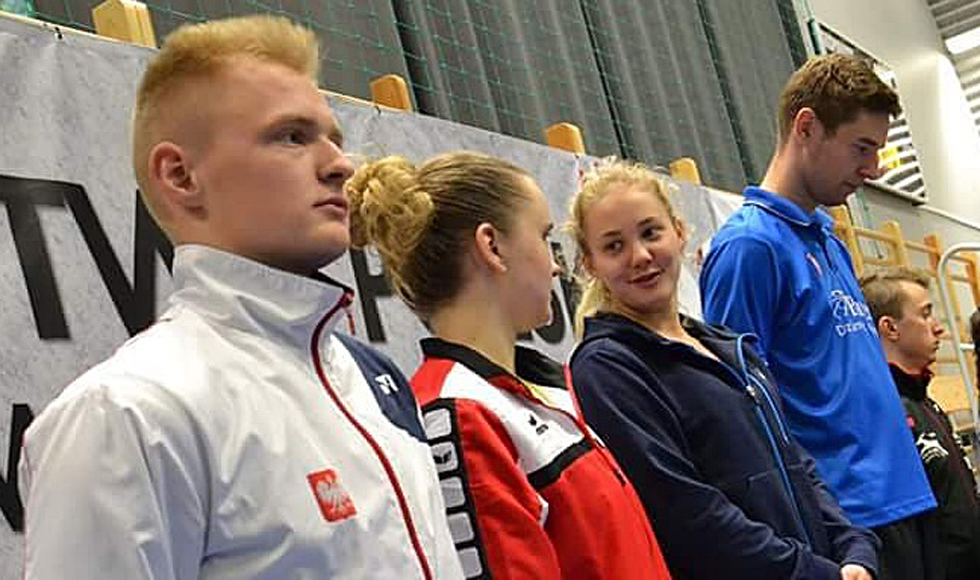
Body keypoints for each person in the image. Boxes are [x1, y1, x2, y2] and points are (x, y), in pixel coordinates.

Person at [18, 15, 463, 580]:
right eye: (292, 136)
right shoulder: (128, 414)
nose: (341, 165)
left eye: (335, 138)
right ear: (180, 177)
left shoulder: (371, 381)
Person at [344, 152, 673, 579]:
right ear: (492, 247)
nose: (556, 265)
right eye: (543, 236)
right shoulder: (461, 414)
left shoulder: (545, 388)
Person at [566, 158, 878, 579]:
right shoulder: (608, 366)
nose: (640, 256)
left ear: (679, 232)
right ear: (590, 264)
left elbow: (797, 463)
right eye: (614, 246)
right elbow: (686, 514)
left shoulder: (729, 346)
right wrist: (811, 572)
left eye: (650, 232)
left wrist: (854, 548)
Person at [699, 53, 938, 580]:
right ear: (806, 127)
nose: (873, 169)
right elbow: (744, 412)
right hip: (849, 529)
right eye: (861, 148)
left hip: (902, 503)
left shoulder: (828, 238)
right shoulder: (748, 248)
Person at [861, 267, 980, 580]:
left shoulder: (926, 402)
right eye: (926, 315)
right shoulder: (881, 413)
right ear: (890, 328)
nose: (938, 328)